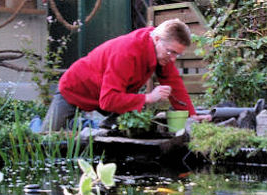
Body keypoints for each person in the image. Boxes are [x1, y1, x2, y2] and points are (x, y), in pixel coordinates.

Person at [42, 18, 211, 131]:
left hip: (105, 93)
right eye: (171, 52)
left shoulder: (163, 52)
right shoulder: (127, 53)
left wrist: (192, 115)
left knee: (129, 128)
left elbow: (174, 83)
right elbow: (108, 100)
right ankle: (43, 124)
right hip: (75, 89)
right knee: (46, 139)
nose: (173, 59)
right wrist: (147, 98)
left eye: (178, 55)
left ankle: (84, 125)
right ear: (157, 39)